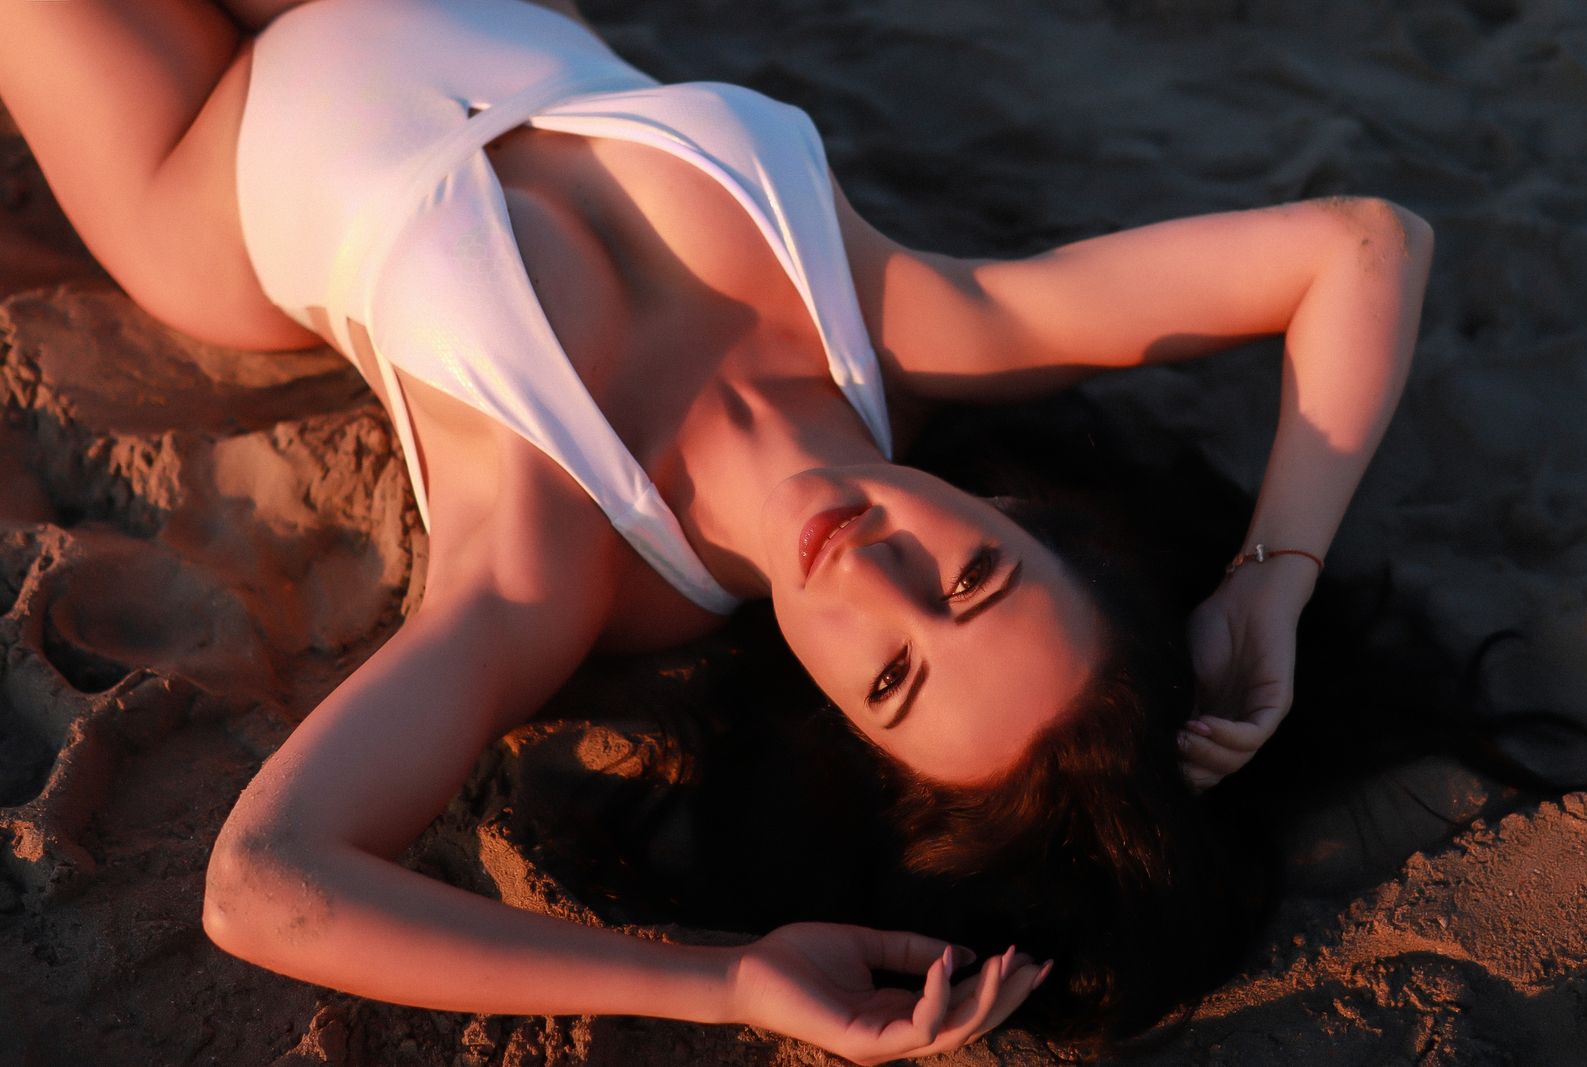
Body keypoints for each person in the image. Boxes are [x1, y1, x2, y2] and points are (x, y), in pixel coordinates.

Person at [0, 0, 1432, 1061]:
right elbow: (1364, 244)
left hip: (199, 162)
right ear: (1022, 515)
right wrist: (1272, 577)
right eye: (974, 578)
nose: (874, 574)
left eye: (892, 677)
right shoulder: (921, 324)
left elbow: (264, 885)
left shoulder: (553, 563)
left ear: (845, 727)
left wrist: (725, 980)